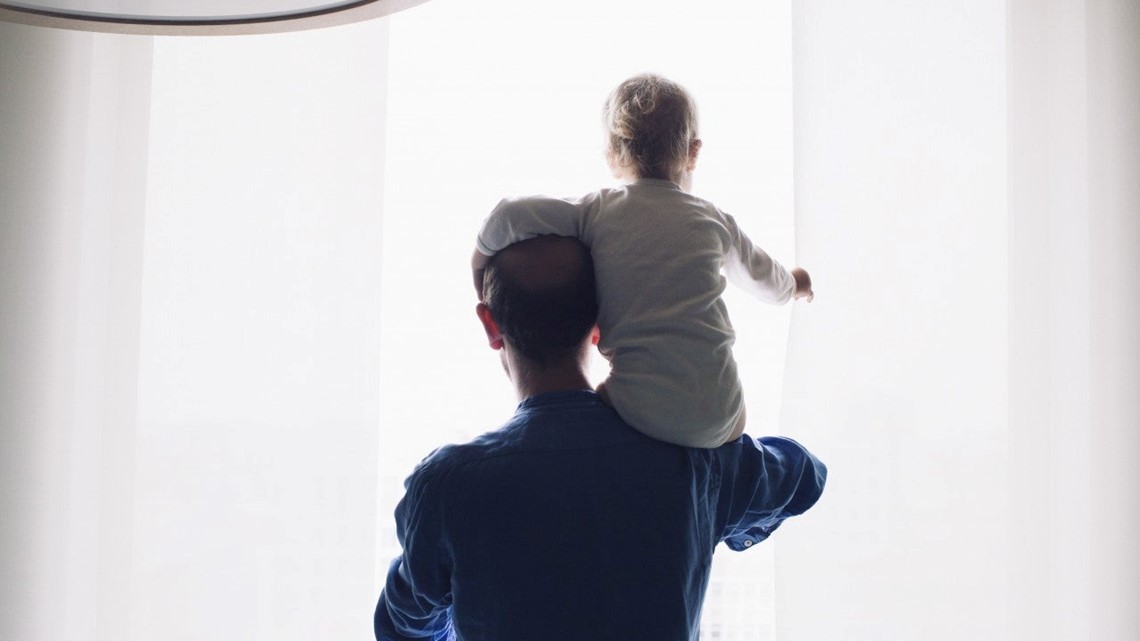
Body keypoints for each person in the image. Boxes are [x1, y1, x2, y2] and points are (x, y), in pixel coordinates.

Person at [376, 235, 826, 641]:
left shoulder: (448, 486)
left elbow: (402, 625)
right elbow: (805, 476)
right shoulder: (690, 460)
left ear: (491, 326)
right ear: (602, 322)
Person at [472, 73, 813, 449]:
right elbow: (767, 281)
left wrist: (479, 266)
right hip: (725, 416)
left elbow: (509, 215)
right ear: (694, 151)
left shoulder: (598, 210)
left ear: (612, 156)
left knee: (583, 410)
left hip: (638, 410)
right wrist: (796, 285)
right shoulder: (713, 220)